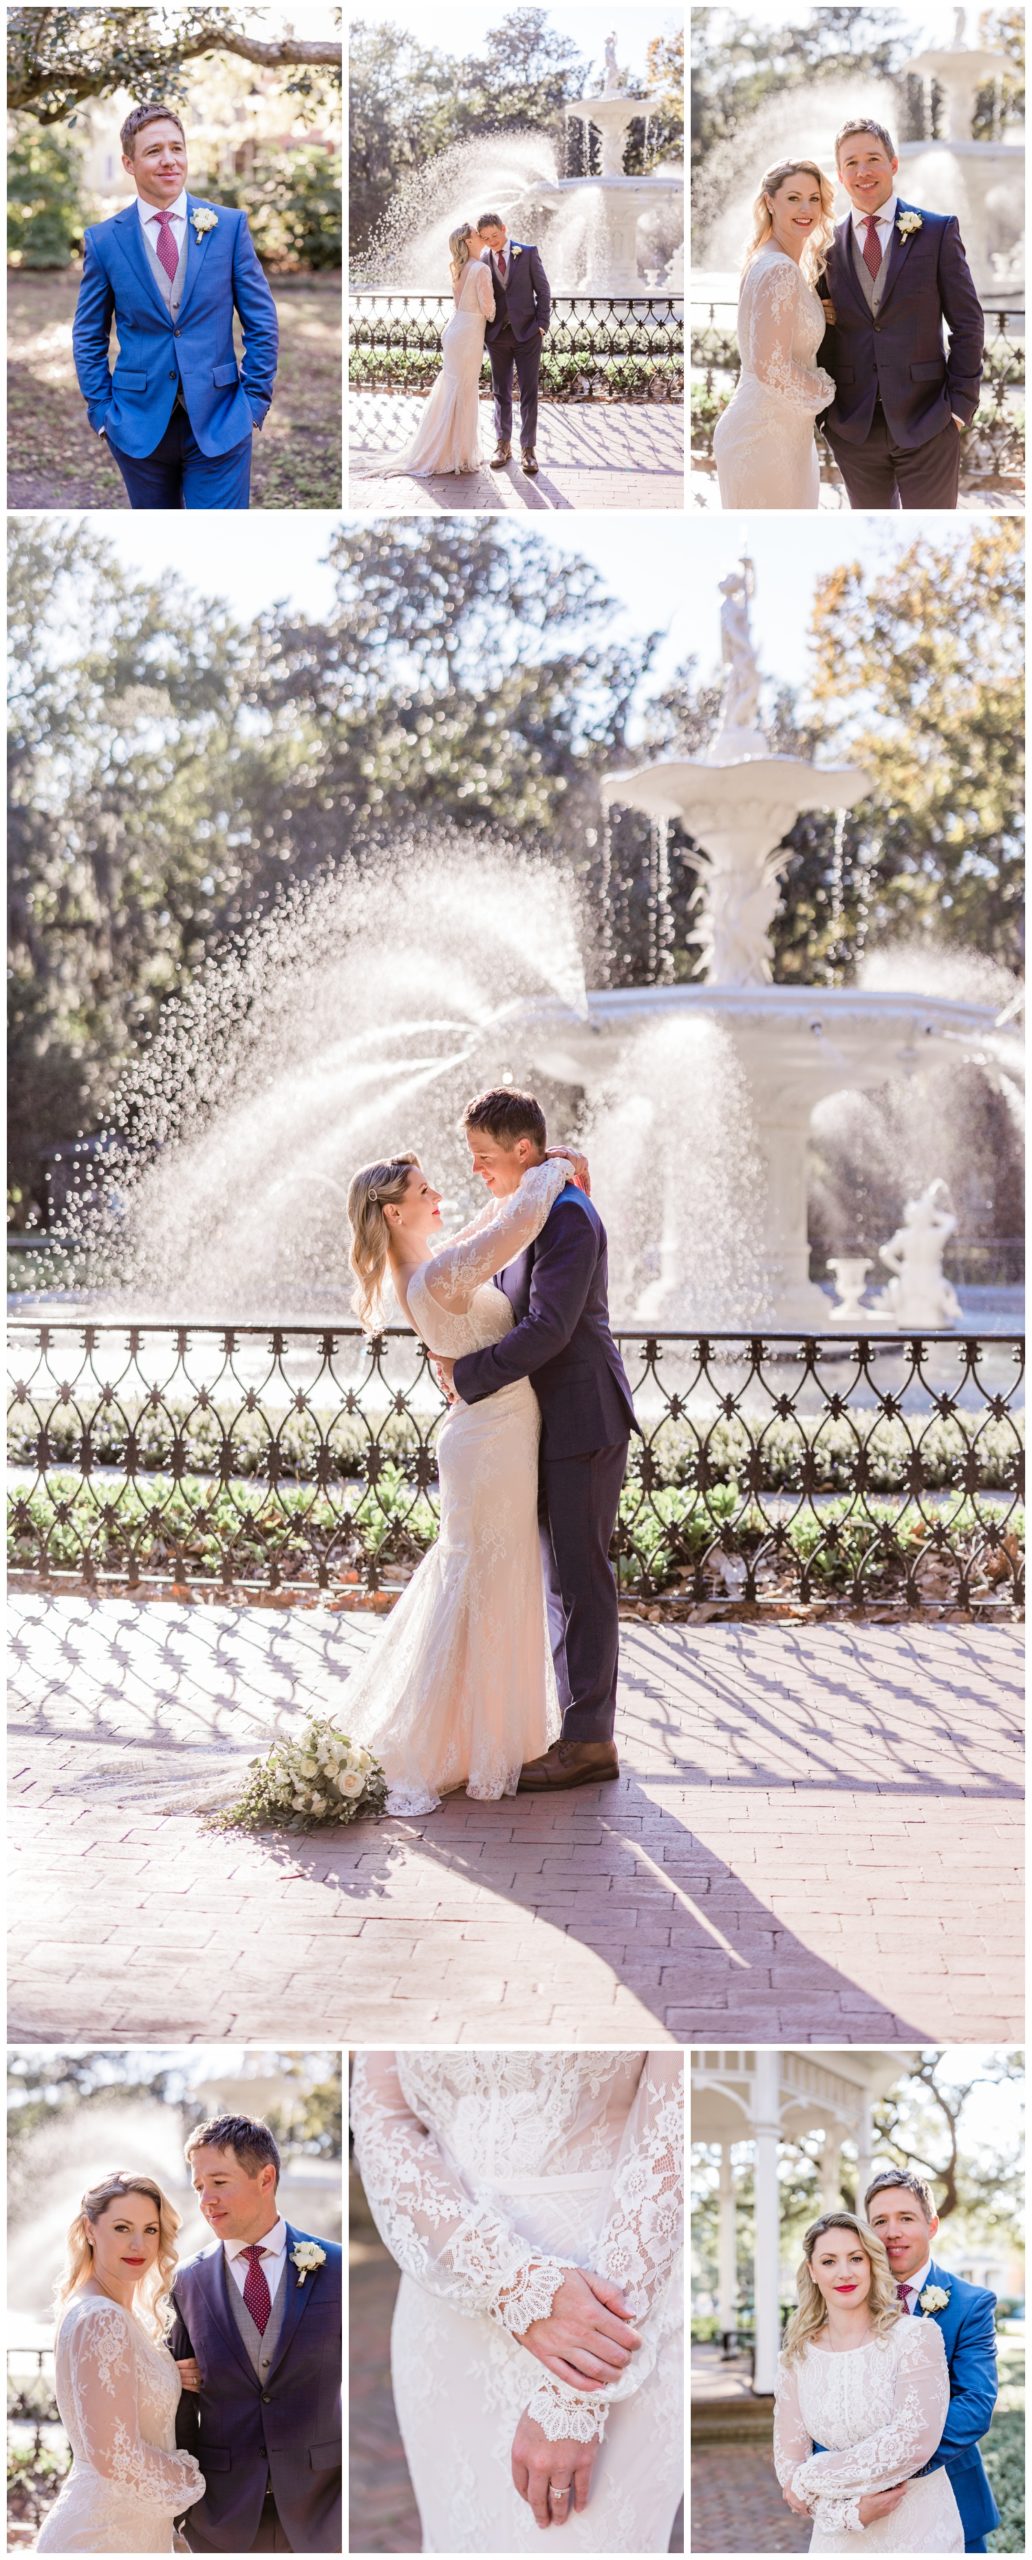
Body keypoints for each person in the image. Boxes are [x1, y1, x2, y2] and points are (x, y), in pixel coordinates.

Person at [336, 1117, 592, 1811]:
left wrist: (533, 1178)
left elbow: (492, 1223)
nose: (439, 1191)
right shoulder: (439, 1272)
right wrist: (555, 1167)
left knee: (485, 1577)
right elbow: (514, 1225)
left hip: (490, 1433)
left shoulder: (428, 1264)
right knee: (487, 1578)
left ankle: (474, 1738)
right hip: (491, 1438)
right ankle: (470, 1744)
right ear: (395, 1212)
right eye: (424, 1189)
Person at [350, 2049, 684, 2552]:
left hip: (617, 2287)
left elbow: (670, 2142)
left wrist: (573, 2396)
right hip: (447, 2307)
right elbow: (382, 2120)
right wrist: (508, 2280)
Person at [440, 1087, 638, 1794]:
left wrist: (469, 1375)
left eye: (486, 1156)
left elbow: (550, 1330)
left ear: (525, 1150)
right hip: (545, 1421)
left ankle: (589, 1742)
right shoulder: (526, 1214)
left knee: (581, 1580)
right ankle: (577, 1732)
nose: (477, 1170)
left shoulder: (568, 1220)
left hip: (583, 1420)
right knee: (563, 1581)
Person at [72, 103, 278, 510]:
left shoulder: (229, 226)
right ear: (129, 163)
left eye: (176, 148)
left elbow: (262, 321)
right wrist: (101, 412)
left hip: (221, 418)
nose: (169, 160)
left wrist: (253, 403)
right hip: (136, 425)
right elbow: (88, 333)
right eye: (153, 151)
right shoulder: (104, 241)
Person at [170, 2113, 342, 2553]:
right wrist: (180, 2509)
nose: (206, 2200)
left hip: (322, 2511)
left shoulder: (335, 2267)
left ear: (266, 2177)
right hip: (220, 2517)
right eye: (198, 2188)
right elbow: (181, 2409)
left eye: (219, 2182)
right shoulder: (186, 2280)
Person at [772, 2209, 963, 2550]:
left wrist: (811, 2476)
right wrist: (850, 2514)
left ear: (872, 2264)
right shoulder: (795, 2358)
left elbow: (912, 2442)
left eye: (855, 2258)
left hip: (917, 2530)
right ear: (813, 2272)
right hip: (837, 2538)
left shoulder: (916, 2337)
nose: (844, 2272)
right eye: (829, 2261)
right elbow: (789, 2469)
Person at [35, 2170, 205, 2552]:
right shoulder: (102, 2317)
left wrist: (168, 2376)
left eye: (150, 2230)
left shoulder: (104, 2311)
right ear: (89, 2230)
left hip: (131, 2531)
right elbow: (115, 2455)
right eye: (122, 2227)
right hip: (102, 2538)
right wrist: (193, 2483)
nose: (137, 2244)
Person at [818, 118, 984, 508]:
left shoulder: (938, 231)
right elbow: (814, 330)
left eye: (873, 158)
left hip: (929, 421)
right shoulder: (823, 245)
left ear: (893, 164)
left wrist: (959, 407)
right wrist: (826, 417)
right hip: (852, 428)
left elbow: (968, 323)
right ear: (840, 175)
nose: (863, 171)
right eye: (852, 163)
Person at [861, 2171, 1000, 2554]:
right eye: (880, 2221)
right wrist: (846, 2479)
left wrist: (889, 2466)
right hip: (866, 2507)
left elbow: (975, 2402)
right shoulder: (847, 2302)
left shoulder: (972, 2303)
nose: (892, 2232)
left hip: (951, 2495)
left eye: (906, 2218)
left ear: (932, 2225)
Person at [713, 161, 836, 509]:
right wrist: (829, 392)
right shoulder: (779, 268)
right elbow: (772, 368)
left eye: (814, 199)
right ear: (770, 202)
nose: (806, 209)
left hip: (784, 434)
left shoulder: (773, 259)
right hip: (764, 440)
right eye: (794, 198)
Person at [379, 222, 496, 478]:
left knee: (453, 389)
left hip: (455, 331)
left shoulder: (458, 269)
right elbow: (489, 309)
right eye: (476, 234)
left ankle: (446, 450)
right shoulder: (481, 269)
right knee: (464, 391)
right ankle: (460, 456)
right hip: (468, 336)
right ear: (468, 241)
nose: (481, 235)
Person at [477, 212, 551, 476]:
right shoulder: (483, 259)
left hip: (528, 334)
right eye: (485, 239)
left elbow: (543, 290)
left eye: (495, 236)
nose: (491, 242)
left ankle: (528, 449)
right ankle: (502, 445)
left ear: (504, 229)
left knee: (529, 392)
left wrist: (542, 324)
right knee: (501, 392)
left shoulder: (528, 253)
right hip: (497, 336)